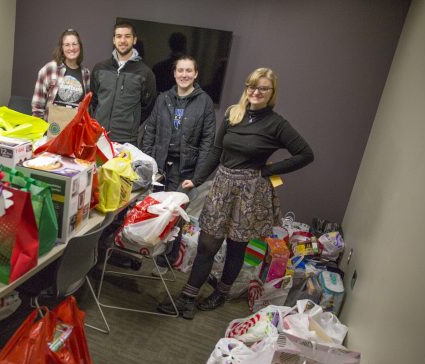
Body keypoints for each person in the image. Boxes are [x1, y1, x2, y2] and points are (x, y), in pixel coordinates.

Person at [157, 67, 314, 319]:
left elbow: (305, 154)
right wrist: (196, 180)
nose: (256, 92)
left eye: (263, 88)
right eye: (252, 86)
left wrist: (269, 169)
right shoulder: (234, 113)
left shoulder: (276, 124)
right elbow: (216, 152)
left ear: (272, 93)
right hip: (222, 185)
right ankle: (187, 296)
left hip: (250, 191)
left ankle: (222, 292)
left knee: (236, 246)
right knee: (208, 243)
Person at [141, 55, 216, 274]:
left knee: (175, 218)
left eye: (188, 71)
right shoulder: (163, 98)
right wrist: (149, 164)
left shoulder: (205, 102)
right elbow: (150, 131)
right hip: (161, 168)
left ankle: (166, 261)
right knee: (155, 212)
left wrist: (197, 177)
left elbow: (207, 142)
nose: (184, 75)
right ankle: (147, 251)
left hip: (185, 171)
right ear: (174, 73)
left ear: (195, 74)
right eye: (180, 70)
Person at [90, 21, 157, 145]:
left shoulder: (145, 73)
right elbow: (94, 101)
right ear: (113, 40)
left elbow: (148, 107)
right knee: (95, 165)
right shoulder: (100, 68)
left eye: (127, 36)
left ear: (134, 40)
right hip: (98, 136)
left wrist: (131, 123)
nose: (123, 40)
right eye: (119, 36)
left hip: (126, 141)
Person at [31, 29, 90, 121]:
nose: (71, 48)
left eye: (74, 44)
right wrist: (40, 130)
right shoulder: (49, 69)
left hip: (75, 130)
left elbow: (87, 108)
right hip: (52, 128)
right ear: (62, 48)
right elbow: (37, 105)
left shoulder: (86, 74)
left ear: (80, 46)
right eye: (67, 45)